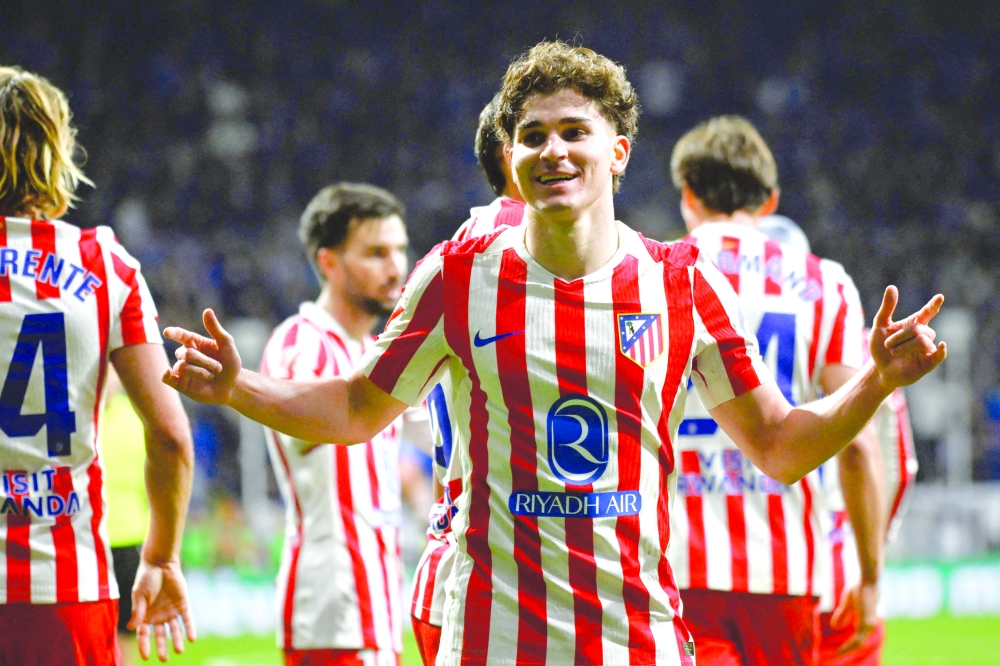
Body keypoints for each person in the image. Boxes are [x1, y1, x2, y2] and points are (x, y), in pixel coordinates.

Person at [162, 41, 945, 666]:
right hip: (493, 637)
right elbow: (357, 407)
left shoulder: (682, 283)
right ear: (510, 156)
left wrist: (876, 381)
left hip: (638, 636)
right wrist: (240, 387)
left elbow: (778, 445)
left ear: (619, 152)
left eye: (575, 132)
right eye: (533, 135)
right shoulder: (458, 275)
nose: (554, 151)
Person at [666, 116, 885, 666]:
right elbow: (859, 443)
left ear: (687, 194)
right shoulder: (827, 284)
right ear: (770, 201)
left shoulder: (651, 274)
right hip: (787, 571)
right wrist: (869, 575)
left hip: (676, 564)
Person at [0, 66, 195, 664]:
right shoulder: (104, 264)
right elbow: (170, 436)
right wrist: (161, 557)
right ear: (57, 151)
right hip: (66, 586)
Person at [259, 182, 429, 666]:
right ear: (329, 263)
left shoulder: (373, 353)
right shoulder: (302, 342)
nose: (396, 267)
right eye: (376, 253)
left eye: (399, 250)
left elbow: (441, 435)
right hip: (333, 608)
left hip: (376, 602)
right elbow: (305, 429)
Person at [409, 96, 526, 666]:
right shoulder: (519, 249)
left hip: (449, 550)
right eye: (539, 135)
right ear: (511, 153)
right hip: (497, 573)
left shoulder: (458, 248)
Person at [816, 328, 918, 666]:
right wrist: (871, 560)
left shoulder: (730, 332)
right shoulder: (869, 349)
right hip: (842, 568)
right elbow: (899, 469)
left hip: (738, 566)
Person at [102, 365, 151, 666]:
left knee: (126, 629)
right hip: (89, 540)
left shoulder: (136, 419)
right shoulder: (78, 419)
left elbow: (154, 484)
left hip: (130, 538)